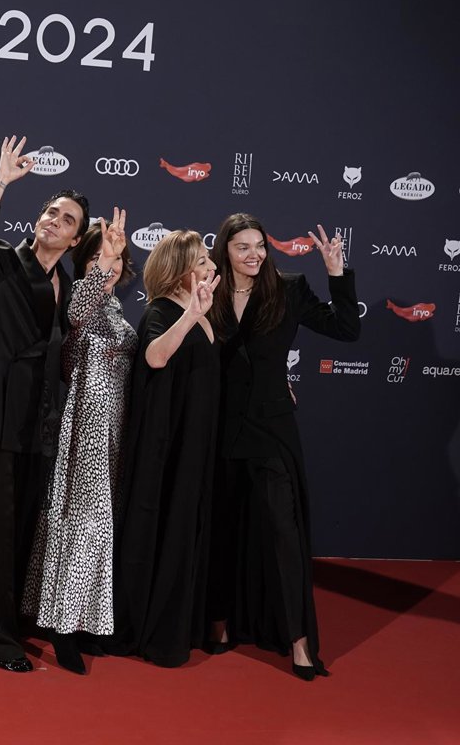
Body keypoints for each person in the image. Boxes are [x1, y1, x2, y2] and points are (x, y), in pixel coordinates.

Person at [0, 136, 89, 674]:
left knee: (16, 528)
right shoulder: (5, 260)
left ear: (75, 238)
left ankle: (5, 619)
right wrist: (1, 180)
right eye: (51, 211)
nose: (55, 221)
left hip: (35, 422)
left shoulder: (67, 284)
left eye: (67, 219)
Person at [206, 215, 360, 681]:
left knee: (282, 533)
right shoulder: (207, 289)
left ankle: (298, 640)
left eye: (259, 245)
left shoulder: (289, 288)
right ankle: (218, 621)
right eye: (242, 246)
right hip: (219, 428)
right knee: (221, 528)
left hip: (270, 429)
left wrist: (336, 273)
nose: (253, 254)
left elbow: (345, 329)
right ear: (224, 250)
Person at [21, 208, 137, 675]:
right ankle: (64, 628)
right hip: (85, 423)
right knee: (85, 527)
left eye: (116, 259)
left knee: (95, 529)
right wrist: (103, 265)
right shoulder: (79, 297)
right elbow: (75, 313)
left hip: (114, 429)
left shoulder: (117, 308)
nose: (109, 265)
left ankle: (78, 617)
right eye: (98, 258)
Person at [113, 229, 220, 668]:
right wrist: (191, 315)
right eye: (203, 261)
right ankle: (152, 630)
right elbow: (155, 357)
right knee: (163, 523)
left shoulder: (206, 312)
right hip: (166, 445)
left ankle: (182, 623)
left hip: (197, 441)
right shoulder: (160, 311)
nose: (212, 266)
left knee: (187, 525)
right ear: (179, 270)